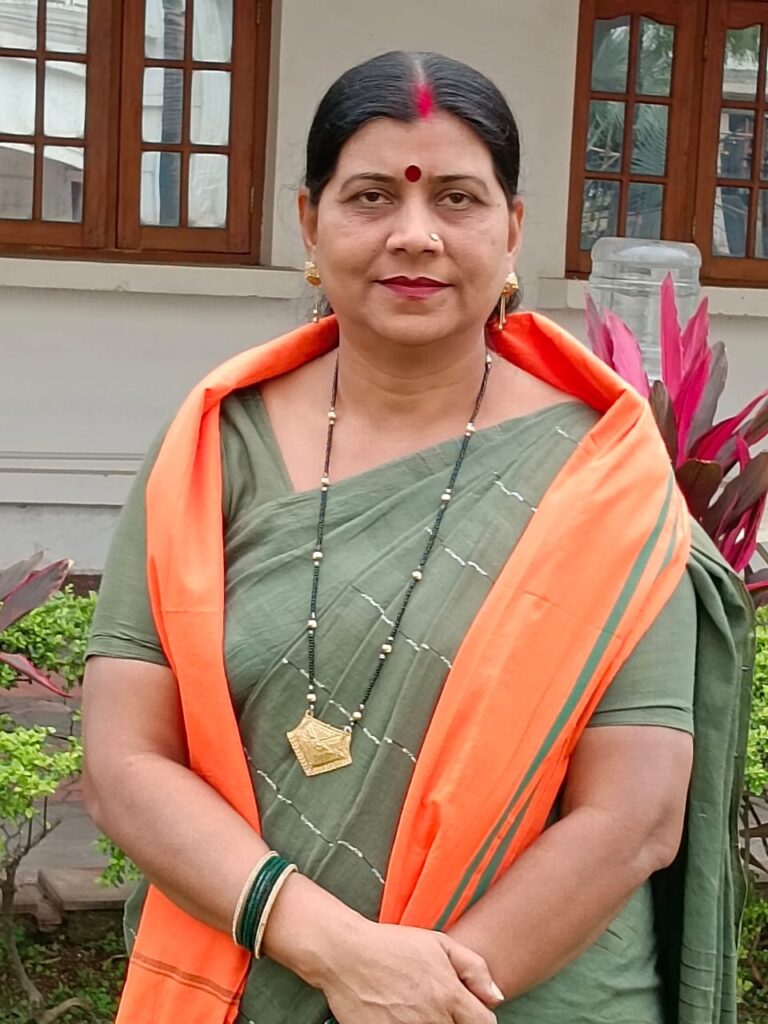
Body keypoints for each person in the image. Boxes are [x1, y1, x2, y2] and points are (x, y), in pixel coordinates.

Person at [82, 51, 753, 1024]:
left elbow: (632, 813)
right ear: (309, 222)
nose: (414, 234)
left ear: (512, 229)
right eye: (370, 197)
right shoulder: (211, 449)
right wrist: (335, 952)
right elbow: (124, 760)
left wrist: (421, 999)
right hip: (257, 977)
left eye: (456, 198)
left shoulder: (604, 475)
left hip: (530, 997)